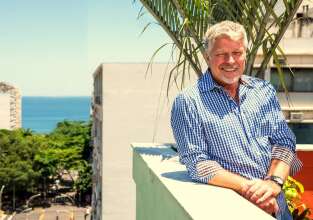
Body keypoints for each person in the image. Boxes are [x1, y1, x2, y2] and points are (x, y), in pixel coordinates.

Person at [170, 20, 302, 220]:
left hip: (278, 208)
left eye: (237, 53)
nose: (230, 60)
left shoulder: (263, 91)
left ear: (245, 54)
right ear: (207, 57)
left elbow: (284, 142)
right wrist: (253, 191)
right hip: (232, 210)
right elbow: (198, 164)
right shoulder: (188, 102)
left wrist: (273, 183)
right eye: (222, 54)